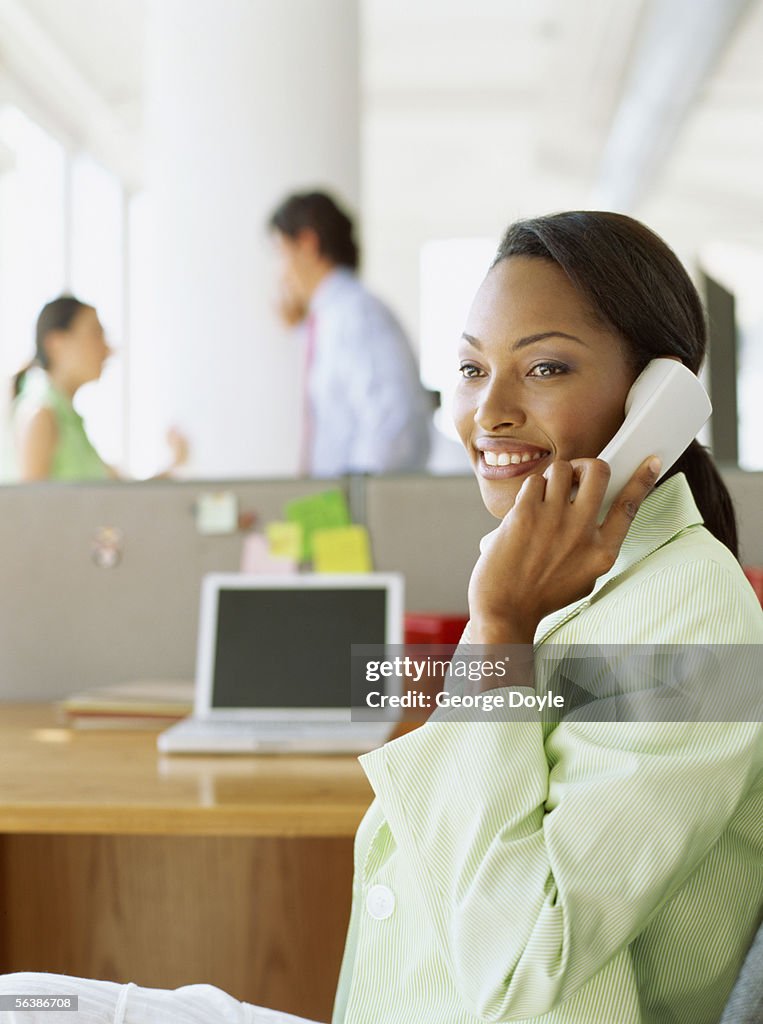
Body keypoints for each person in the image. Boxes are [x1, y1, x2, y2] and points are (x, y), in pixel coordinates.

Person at [1, 211, 761, 1023]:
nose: (488, 412)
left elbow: (518, 968)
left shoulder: (692, 618)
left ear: (659, 399)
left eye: (542, 367)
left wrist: (498, 628)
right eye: (470, 369)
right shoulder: (550, 583)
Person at [268, 190, 431, 476]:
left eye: (282, 253)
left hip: (355, 506)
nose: (281, 273)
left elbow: (393, 421)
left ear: (307, 244)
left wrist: (357, 496)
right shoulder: (327, 320)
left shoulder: (357, 315)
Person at [7, 295, 187, 481]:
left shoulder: (70, 422)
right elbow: (29, 507)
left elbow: (123, 493)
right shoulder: (40, 416)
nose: (108, 349)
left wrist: (175, 462)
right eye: (96, 334)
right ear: (56, 344)